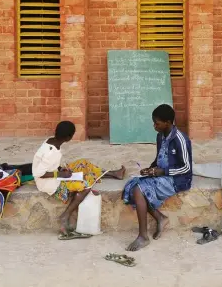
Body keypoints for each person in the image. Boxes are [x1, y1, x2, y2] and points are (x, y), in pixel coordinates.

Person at [32, 121, 126, 238]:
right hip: (50, 183)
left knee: (83, 164)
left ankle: (113, 174)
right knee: (85, 185)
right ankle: (65, 215)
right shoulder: (51, 152)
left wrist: (61, 170)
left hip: (55, 175)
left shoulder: (51, 141)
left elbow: (49, 165)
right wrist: (60, 174)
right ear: (69, 137)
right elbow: (38, 173)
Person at [122, 104, 192, 251]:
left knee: (138, 189)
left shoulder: (181, 139)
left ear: (167, 122)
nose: (154, 126)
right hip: (162, 175)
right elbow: (160, 158)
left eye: (157, 123)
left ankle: (143, 236)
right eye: (154, 122)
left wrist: (162, 172)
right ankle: (159, 218)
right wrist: (151, 168)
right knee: (131, 185)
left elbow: (186, 168)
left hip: (177, 180)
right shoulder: (160, 136)